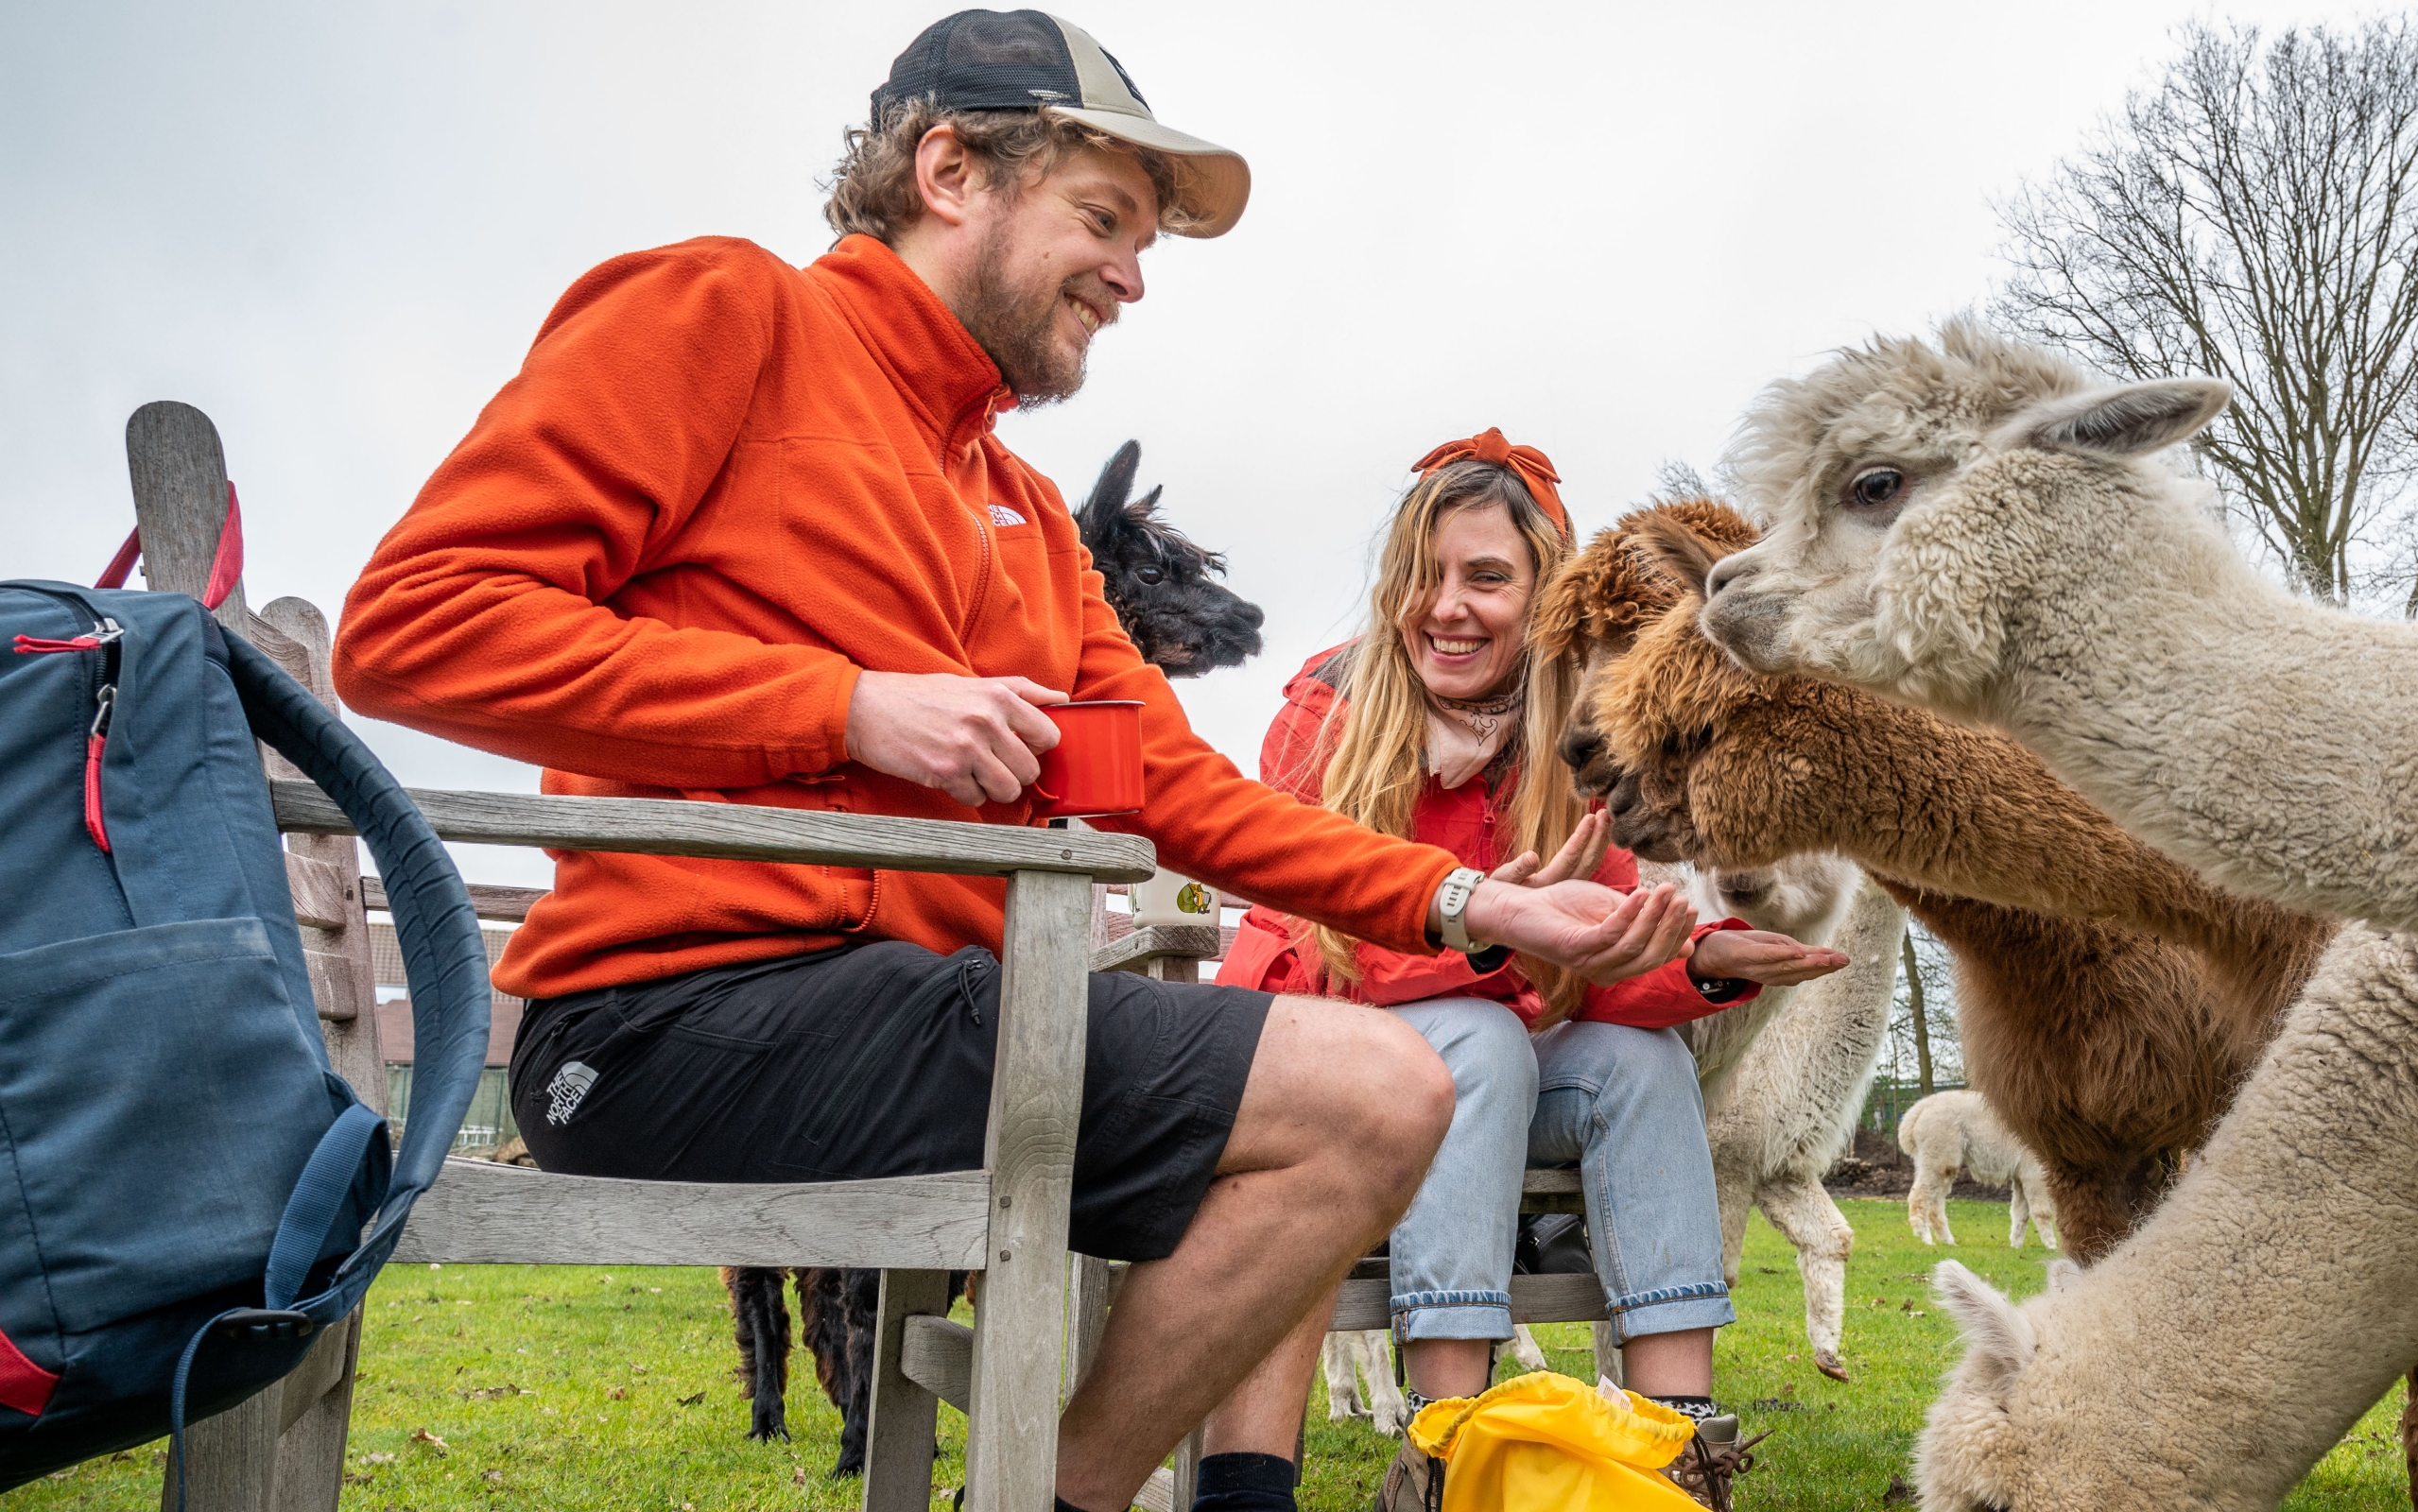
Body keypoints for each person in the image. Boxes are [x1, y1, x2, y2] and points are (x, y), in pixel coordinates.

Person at [328, 13, 1701, 1512]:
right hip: (664, 1027)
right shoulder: (727, 315)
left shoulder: (1028, 517)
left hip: (945, 1024)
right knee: (1370, 1087)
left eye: (1146, 242)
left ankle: (1062, 1495)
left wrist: (1466, 905)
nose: (1131, 273)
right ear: (950, 170)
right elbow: (412, 628)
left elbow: (1178, 793)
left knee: (1380, 1094)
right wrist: (843, 707)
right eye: (1105, 220)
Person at [1215, 432, 1850, 1511]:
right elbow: (1308, 946)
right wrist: (1495, 935)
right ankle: (1448, 1440)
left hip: (1489, 1086)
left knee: (1635, 1060)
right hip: (1327, 1076)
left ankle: (1674, 1449)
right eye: (1426, 574)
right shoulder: (1327, 716)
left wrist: (1698, 960)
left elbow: (1593, 956)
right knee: (1485, 1034)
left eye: (1487, 578)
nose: (1447, 605)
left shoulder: (1562, 750)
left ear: (1540, 598)